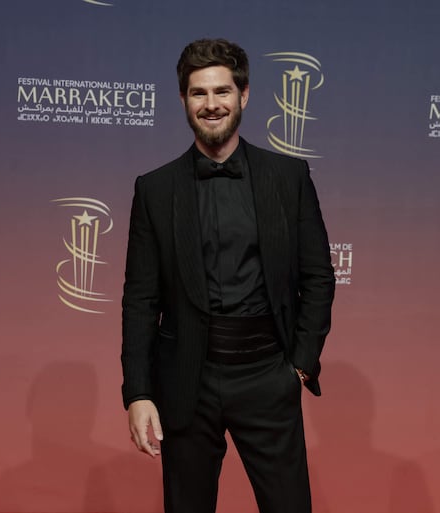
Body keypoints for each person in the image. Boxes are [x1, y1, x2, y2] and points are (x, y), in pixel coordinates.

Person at [121, 38, 335, 513]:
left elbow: (319, 276)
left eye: (222, 91)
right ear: (183, 100)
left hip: (266, 371)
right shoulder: (154, 189)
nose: (211, 104)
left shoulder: (288, 176)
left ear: (244, 95)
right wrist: (137, 391)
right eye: (199, 93)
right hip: (186, 379)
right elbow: (139, 299)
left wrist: (299, 363)